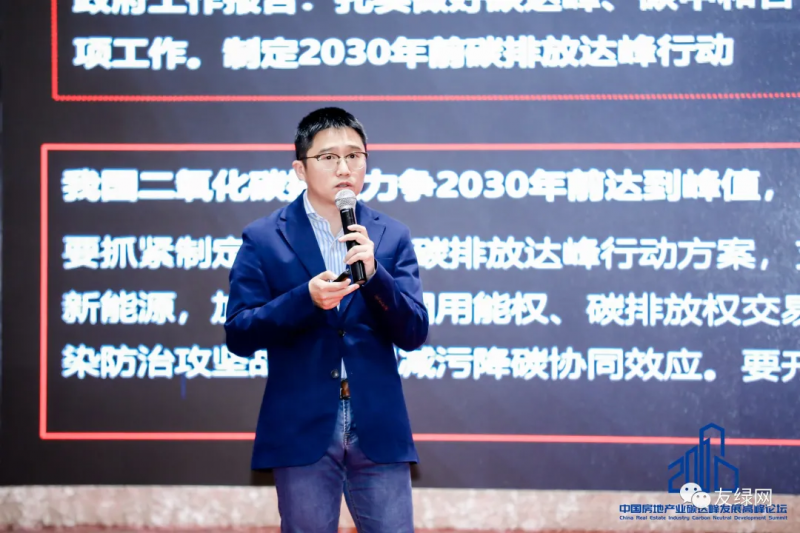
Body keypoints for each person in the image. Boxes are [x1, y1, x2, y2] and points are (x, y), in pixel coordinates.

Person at [224, 107, 429, 533]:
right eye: (329, 157)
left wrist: (375, 276)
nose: (344, 169)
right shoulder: (264, 238)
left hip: (377, 421)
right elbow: (239, 333)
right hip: (302, 423)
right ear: (300, 169)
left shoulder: (390, 236)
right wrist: (305, 299)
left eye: (354, 156)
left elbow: (413, 332)